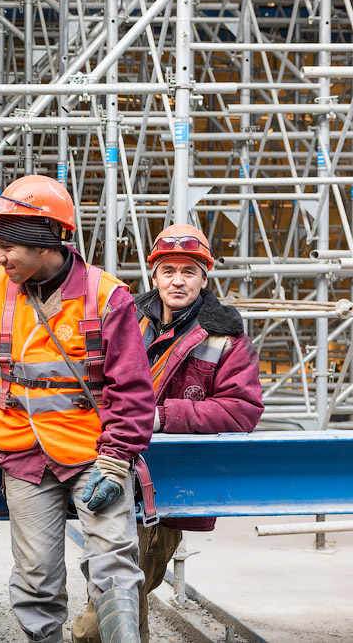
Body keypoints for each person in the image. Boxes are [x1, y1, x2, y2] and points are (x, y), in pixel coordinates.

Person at [0, 175, 156, 643]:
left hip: (94, 453)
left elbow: (134, 390)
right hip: (23, 453)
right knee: (36, 578)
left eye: (7, 246)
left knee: (115, 563)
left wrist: (117, 459)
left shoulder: (106, 297)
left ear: (43, 243)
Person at [72, 224, 264, 643]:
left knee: (109, 608)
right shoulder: (124, 318)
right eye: (169, 270)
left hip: (165, 487)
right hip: (108, 468)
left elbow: (242, 410)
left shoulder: (225, 336)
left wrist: (160, 416)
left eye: (189, 271)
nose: (178, 280)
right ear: (153, 274)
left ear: (204, 278)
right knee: (119, 592)